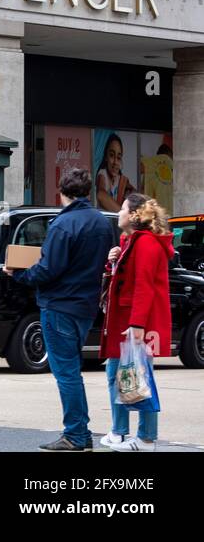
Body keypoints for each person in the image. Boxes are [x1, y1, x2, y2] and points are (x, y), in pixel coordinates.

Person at [3, 169, 115, 451]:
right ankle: (81, 432)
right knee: (73, 369)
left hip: (59, 305)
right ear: (87, 191)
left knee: (66, 373)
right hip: (85, 305)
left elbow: (47, 269)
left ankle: (76, 434)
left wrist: (18, 275)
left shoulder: (63, 225)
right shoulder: (101, 223)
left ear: (61, 192)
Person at [100, 193, 174, 452]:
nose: (118, 212)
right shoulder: (132, 243)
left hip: (136, 322)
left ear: (133, 215)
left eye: (122, 209)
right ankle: (123, 433)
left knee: (140, 378)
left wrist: (138, 325)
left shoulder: (145, 244)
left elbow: (144, 287)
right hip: (130, 320)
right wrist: (113, 262)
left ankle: (145, 437)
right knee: (124, 375)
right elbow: (126, 281)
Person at [96, 133, 136, 212]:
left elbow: (136, 195)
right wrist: (122, 215)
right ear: (106, 157)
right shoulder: (103, 174)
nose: (115, 162)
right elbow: (101, 195)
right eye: (111, 155)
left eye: (118, 157)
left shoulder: (122, 180)